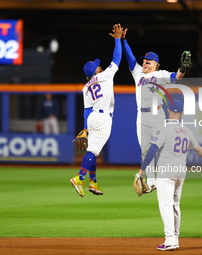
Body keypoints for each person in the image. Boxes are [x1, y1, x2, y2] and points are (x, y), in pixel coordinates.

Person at [118, 23, 191, 193]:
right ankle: (152, 182)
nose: (144, 63)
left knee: (158, 148)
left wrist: (183, 68)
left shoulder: (160, 74)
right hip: (141, 117)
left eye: (148, 62)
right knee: (145, 150)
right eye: (143, 61)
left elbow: (176, 77)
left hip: (157, 114)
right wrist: (123, 40)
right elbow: (129, 58)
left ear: (155, 64)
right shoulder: (138, 74)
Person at [138, 100, 202, 251]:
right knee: (175, 206)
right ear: (182, 113)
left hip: (166, 172)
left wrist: (142, 170)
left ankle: (170, 240)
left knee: (166, 205)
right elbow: (198, 149)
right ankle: (175, 238)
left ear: (167, 110)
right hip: (181, 172)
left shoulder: (163, 128)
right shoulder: (186, 130)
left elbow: (152, 150)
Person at [70, 24, 122, 197]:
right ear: (97, 71)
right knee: (93, 151)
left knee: (92, 150)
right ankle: (79, 178)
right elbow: (117, 57)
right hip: (103, 118)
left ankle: (93, 182)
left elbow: (86, 110)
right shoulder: (105, 75)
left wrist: (85, 128)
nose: (100, 66)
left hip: (92, 118)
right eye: (98, 66)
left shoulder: (86, 87)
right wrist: (117, 40)